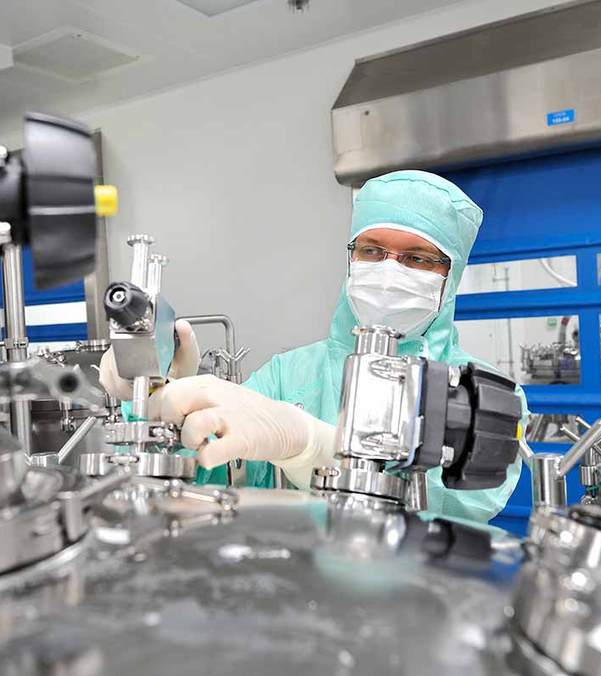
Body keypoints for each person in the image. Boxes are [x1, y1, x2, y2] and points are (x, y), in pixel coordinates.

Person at [100, 170, 528, 526]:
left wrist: (315, 446)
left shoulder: (483, 396)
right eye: (371, 250)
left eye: (417, 258)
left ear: (450, 277)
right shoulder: (289, 374)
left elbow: (460, 508)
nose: (388, 271)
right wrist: (157, 398)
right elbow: (203, 467)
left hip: (420, 589)